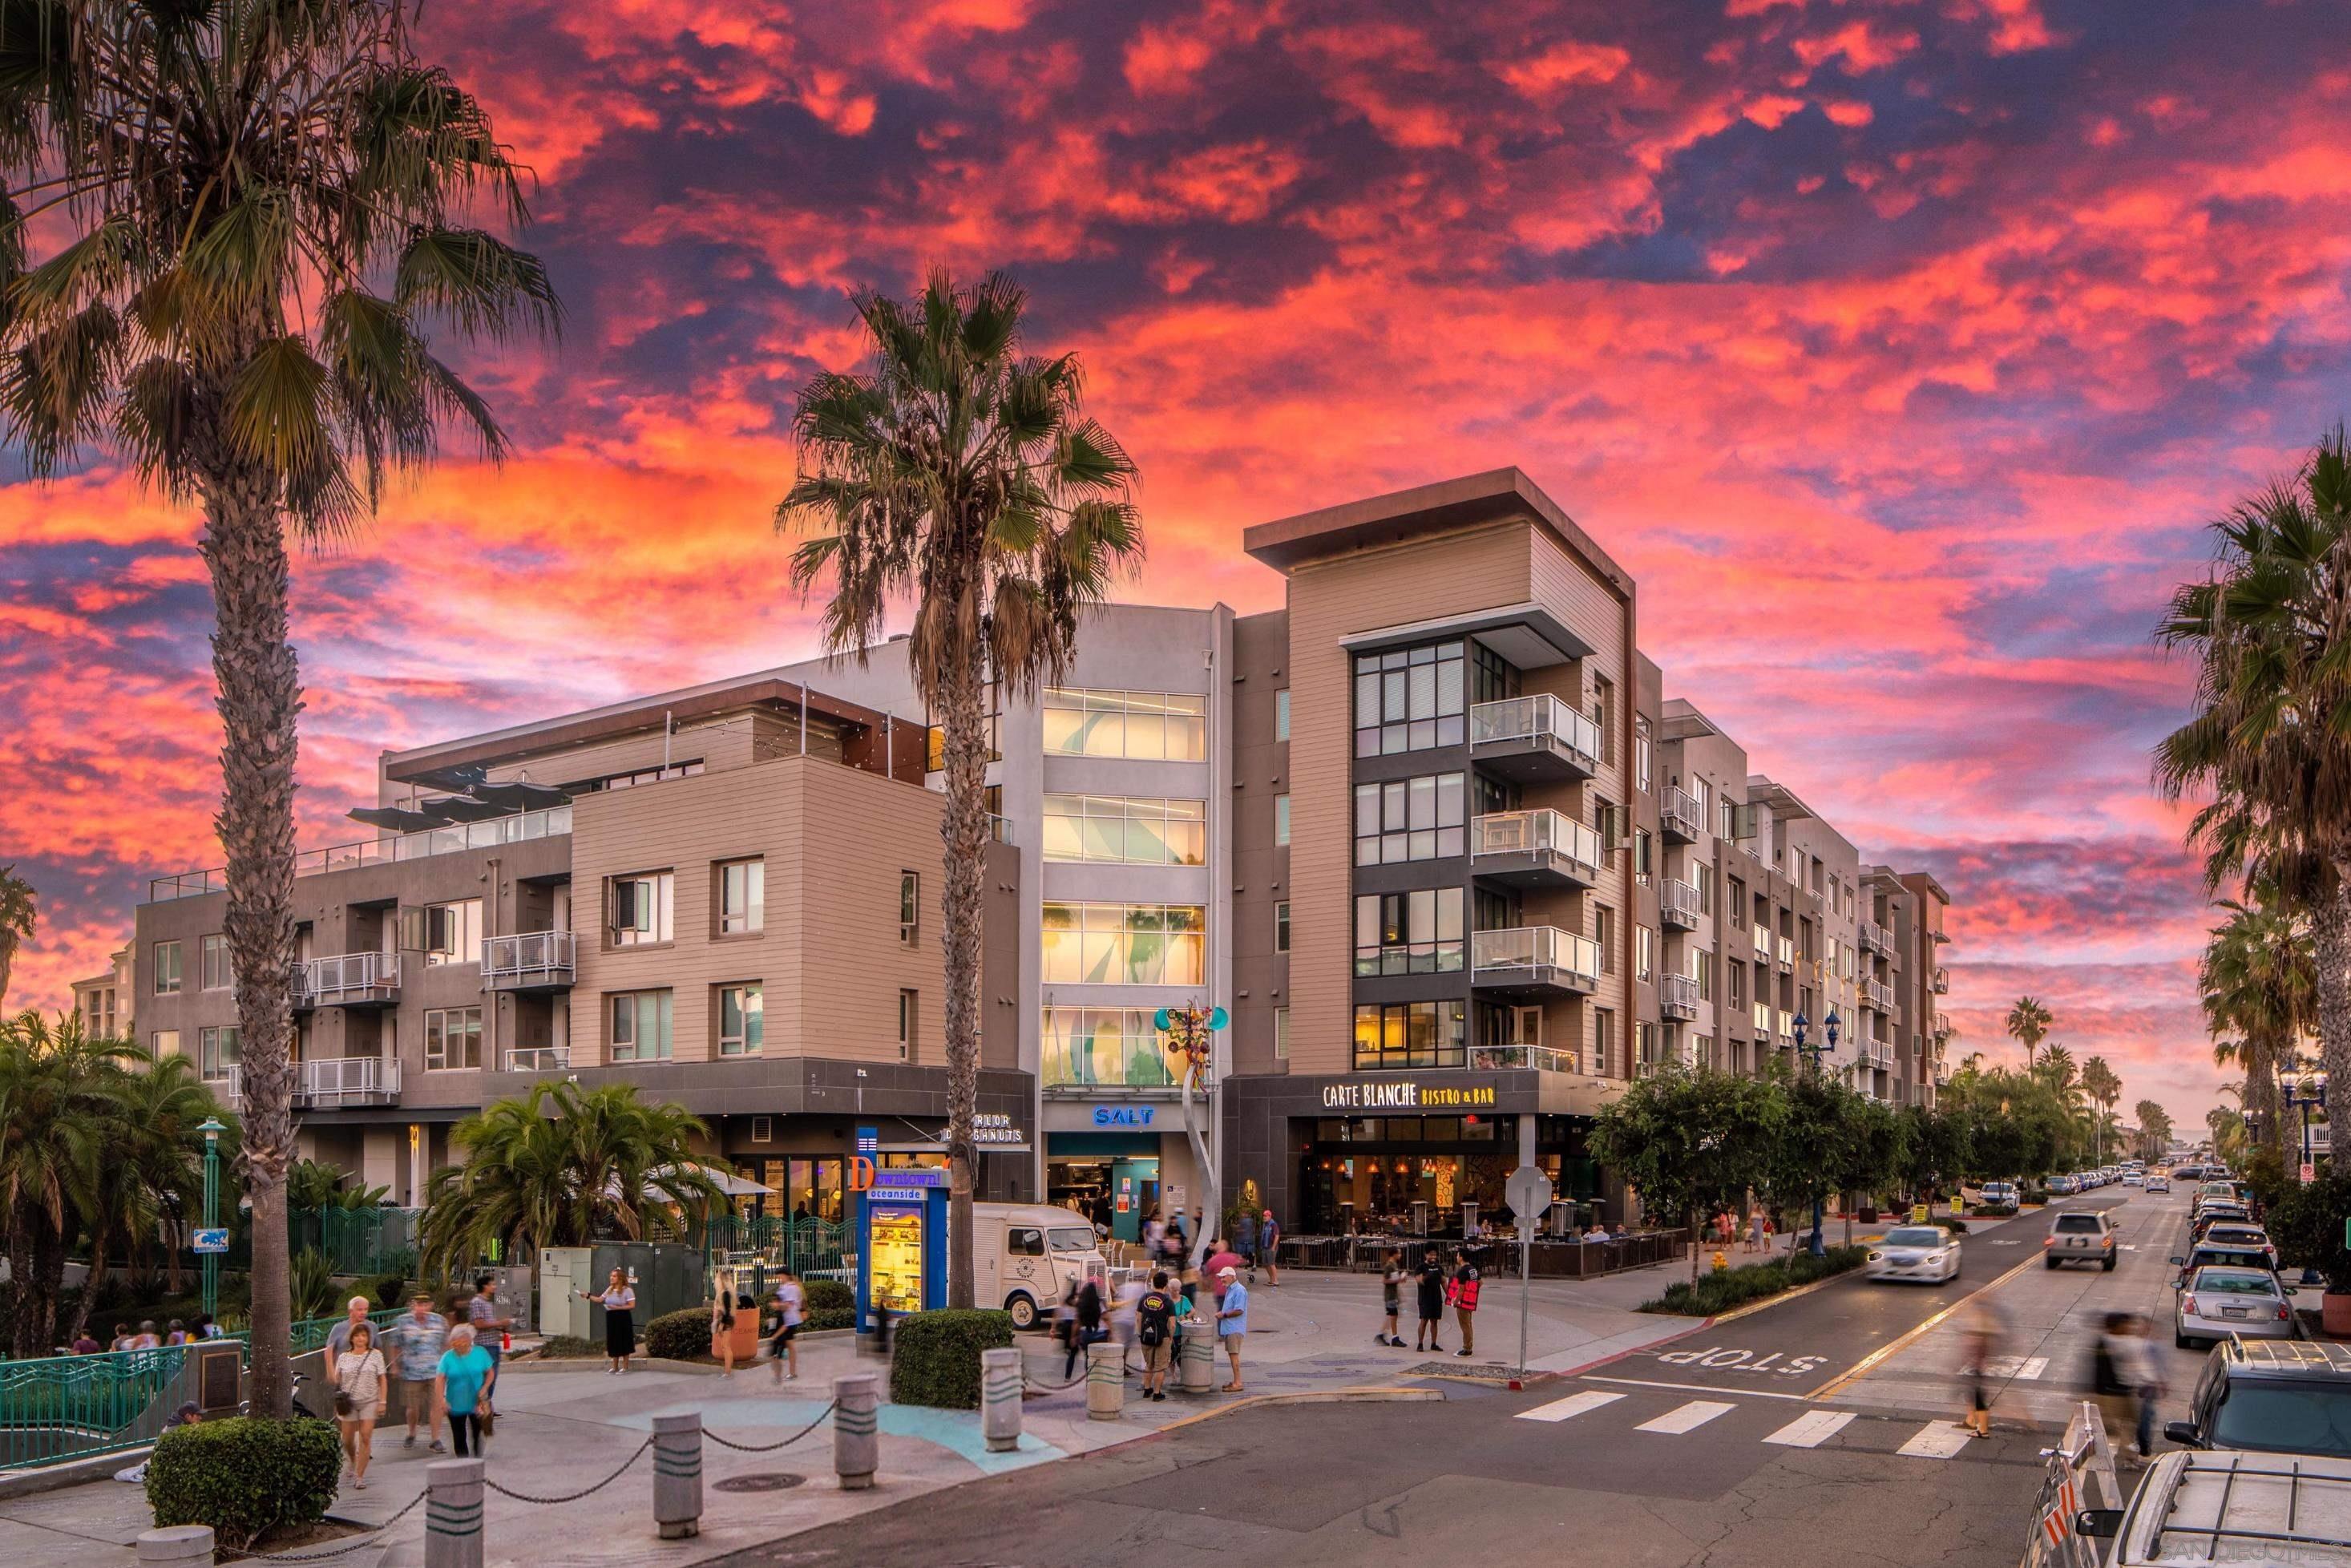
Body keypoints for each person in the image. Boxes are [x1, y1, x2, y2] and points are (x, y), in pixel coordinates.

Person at [389, 1295, 449, 1451]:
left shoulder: (439, 1321)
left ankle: (435, 1439)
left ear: (430, 1305)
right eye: (417, 1304)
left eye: (424, 1304)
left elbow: (446, 1344)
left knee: (436, 1405)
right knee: (412, 1406)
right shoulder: (403, 1321)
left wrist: (449, 1365)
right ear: (412, 1305)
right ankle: (411, 1432)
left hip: (436, 1371)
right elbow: (395, 1345)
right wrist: (395, 1365)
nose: (420, 1308)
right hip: (411, 1372)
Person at [332, 1321, 387, 1489]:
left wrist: (382, 1401)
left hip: (369, 1400)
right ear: (352, 1338)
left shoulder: (376, 1355)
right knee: (347, 1439)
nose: (360, 1339)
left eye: (364, 1335)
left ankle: (360, 1476)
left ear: (368, 1338)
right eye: (357, 1335)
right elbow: (337, 1382)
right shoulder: (344, 1357)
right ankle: (352, 1459)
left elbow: (382, 1379)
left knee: (365, 1435)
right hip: (349, 1403)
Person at [435, 1324, 496, 1460]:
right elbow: (440, 1380)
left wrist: (485, 1387)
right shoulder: (447, 1357)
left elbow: (490, 1372)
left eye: (463, 1341)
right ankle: (463, 1461)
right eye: (455, 1342)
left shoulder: (480, 1353)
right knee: (459, 1434)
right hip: (455, 1402)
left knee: (477, 1432)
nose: (459, 1345)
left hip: (476, 1402)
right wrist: (442, 1400)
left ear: (469, 1341)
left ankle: (476, 1458)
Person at [1959, 1296, 2003, 1439]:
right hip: (1979, 1370)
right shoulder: (1985, 1333)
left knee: (1979, 1400)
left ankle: (1983, 1430)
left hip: (1979, 1371)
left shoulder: (1981, 1336)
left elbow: (1976, 1353)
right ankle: (1974, 1423)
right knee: (1977, 1398)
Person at [580, 1267, 636, 1374]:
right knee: (613, 1341)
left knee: (624, 1341)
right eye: (611, 1276)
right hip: (611, 1318)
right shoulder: (610, 1289)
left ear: (620, 1278)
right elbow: (600, 1299)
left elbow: (632, 1305)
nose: (611, 1278)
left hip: (623, 1318)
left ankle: (625, 1367)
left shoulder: (627, 1290)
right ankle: (614, 1367)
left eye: (614, 1276)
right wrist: (588, 1296)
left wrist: (617, 1307)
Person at [1136, 1271, 1178, 1401]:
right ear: (1165, 1285)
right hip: (1162, 1337)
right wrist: (1170, 1338)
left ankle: (1147, 1389)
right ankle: (1157, 1393)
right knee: (1160, 1367)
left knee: (1149, 1364)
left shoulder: (1144, 1297)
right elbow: (1172, 1324)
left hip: (1146, 1336)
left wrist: (1140, 1333)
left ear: (1153, 1283)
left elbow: (1138, 1317)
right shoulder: (1168, 1301)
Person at [467, 1276, 511, 1385]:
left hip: (493, 1344)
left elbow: (489, 1323)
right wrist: (500, 1323)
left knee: (492, 1377)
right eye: (492, 1284)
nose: (495, 1287)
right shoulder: (477, 1302)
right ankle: (483, 1400)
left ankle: (487, 1401)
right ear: (484, 1286)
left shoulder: (488, 1303)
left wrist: (501, 1327)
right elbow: (479, 1324)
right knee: (487, 1378)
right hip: (484, 1346)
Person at [1214, 1266, 1249, 1392]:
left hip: (1235, 1329)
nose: (1222, 1279)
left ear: (1232, 1276)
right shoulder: (1230, 1289)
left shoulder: (1239, 1290)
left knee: (1234, 1355)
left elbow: (1239, 1310)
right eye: (1221, 1277)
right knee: (1232, 1355)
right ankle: (1235, 1381)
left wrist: (1223, 1315)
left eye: (1224, 1277)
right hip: (1230, 1328)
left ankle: (1238, 1383)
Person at [325, 1295, 373, 1381]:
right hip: (344, 1376)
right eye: (360, 1310)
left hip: (367, 1377)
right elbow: (329, 1351)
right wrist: (331, 1374)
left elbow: (377, 1349)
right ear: (351, 1311)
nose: (363, 1313)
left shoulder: (372, 1327)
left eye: (366, 1309)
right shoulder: (338, 1328)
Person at [1064, 1275, 1105, 1380]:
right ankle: (1091, 1377)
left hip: (1084, 1334)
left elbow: (1076, 1323)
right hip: (1097, 1333)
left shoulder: (1081, 1304)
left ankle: (1068, 1377)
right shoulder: (1099, 1303)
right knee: (1090, 1357)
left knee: (1078, 1354)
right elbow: (1106, 1318)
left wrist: (1073, 1337)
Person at [769, 1268, 804, 1383]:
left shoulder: (791, 1288)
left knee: (779, 1349)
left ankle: (781, 1375)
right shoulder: (785, 1287)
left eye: (780, 1276)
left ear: (785, 1275)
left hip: (788, 1321)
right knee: (789, 1347)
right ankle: (790, 1373)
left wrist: (776, 1305)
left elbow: (788, 1305)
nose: (778, 1278)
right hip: (785, 1320)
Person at [1448, 1248, 1481, 1358]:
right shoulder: (1473, 1269)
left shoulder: (1462, 1271)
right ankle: (1469, 1345)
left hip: (1463, 1303)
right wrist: (1472, 1292)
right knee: (1469, 1324)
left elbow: (1461, 1289)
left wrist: (1455, 1301)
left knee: (1465, 1325)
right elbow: (1480, 1282)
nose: (1456, 1257)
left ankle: (1467, 1349)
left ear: (1461, 1257)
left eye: (1457, 1255)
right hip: (1470, 1301)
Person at [1110, 1272, 1145, 1375]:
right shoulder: (1141, 1287)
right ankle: (1121, 1367)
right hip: (1129, 1319)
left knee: (1124, 1343)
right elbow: (1142, 1304)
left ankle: (1121, 1366)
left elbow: (1117, 1299)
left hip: (1120, 1318)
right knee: (1126, 1345)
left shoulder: (1124, 1286)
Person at [1415, 1251, 1447, 1352]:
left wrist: (1450, 1296)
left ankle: (1434, 1343)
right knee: (1424, 1321)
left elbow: (1443, 1282)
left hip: (1436, 1298)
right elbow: (1419, 1280)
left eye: (1435, 1255)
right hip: (1424, 1298)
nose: (1433, 1257)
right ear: (1426, 1255)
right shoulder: (1421, 1267)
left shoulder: (1439, 1267)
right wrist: (1427, 1276)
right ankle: (1420, 1344)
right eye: (1431, 1255)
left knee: (1435, 1321)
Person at [710, 1274, 738, 1377]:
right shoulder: (722, 1293)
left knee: (726, 1347)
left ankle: (727, 1372)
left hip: (726, 1321)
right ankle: (727, 1371)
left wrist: (721, 1325)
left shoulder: (725, 1293)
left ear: (721, 1281)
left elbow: (726, 1311)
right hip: (725, 1321)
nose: (715, 1282)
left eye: (717, 1280)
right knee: (724, 1347)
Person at [1379, 1250, 1408, 1348]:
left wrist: (1400, 1280)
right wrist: (1399, 1279)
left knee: (1392, 1316)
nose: (1400, 1255)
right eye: (1399, 1253)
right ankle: (1394, 1338)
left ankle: (1384, 1335)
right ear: (1394, 1254)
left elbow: (1394, 1280)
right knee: (1393, 1316)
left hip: (1394, 1295)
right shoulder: (1389, 1266)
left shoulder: (1394, 1265)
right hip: (1390, 1296)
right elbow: (1385, 1280)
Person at [1258, 1209, 1282, 1287]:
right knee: (1266, 1264)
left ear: (1269, 1216)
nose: (1264, 1217)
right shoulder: (1265, 1225)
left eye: (1266, 1216)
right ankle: (1271, 1279)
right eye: (1263, 1216)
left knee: (1271, 1263)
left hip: (1271, 1247)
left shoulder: (1273, 1224)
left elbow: (1277, 1236)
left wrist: (1273, 1247)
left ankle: (1276, 1280)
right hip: (1265, 1246)